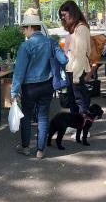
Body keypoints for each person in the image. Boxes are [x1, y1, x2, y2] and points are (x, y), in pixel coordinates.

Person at [10, 10, 68, 159]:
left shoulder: (26, 46)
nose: (24, 31)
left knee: (26, 116)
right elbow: (64, 60)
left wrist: (13, 92)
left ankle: (25, 147)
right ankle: (40, 150)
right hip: (47, 85)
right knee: (43, 117)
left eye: (24, 28)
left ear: (30, 27)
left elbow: (19, 72)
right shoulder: (51, 42)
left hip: (29, 88)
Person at [59, 0, 91, 115]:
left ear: (72, 13)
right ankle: (75, 124)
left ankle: (83, 128)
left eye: (64, 15)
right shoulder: (74, 29)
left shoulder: (81, 29)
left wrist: (77, 76)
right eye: (61, 15)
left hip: (76, 71)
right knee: (73, 100)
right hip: (71, 70)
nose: (63, 18)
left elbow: (81, 54)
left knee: (80, 100)